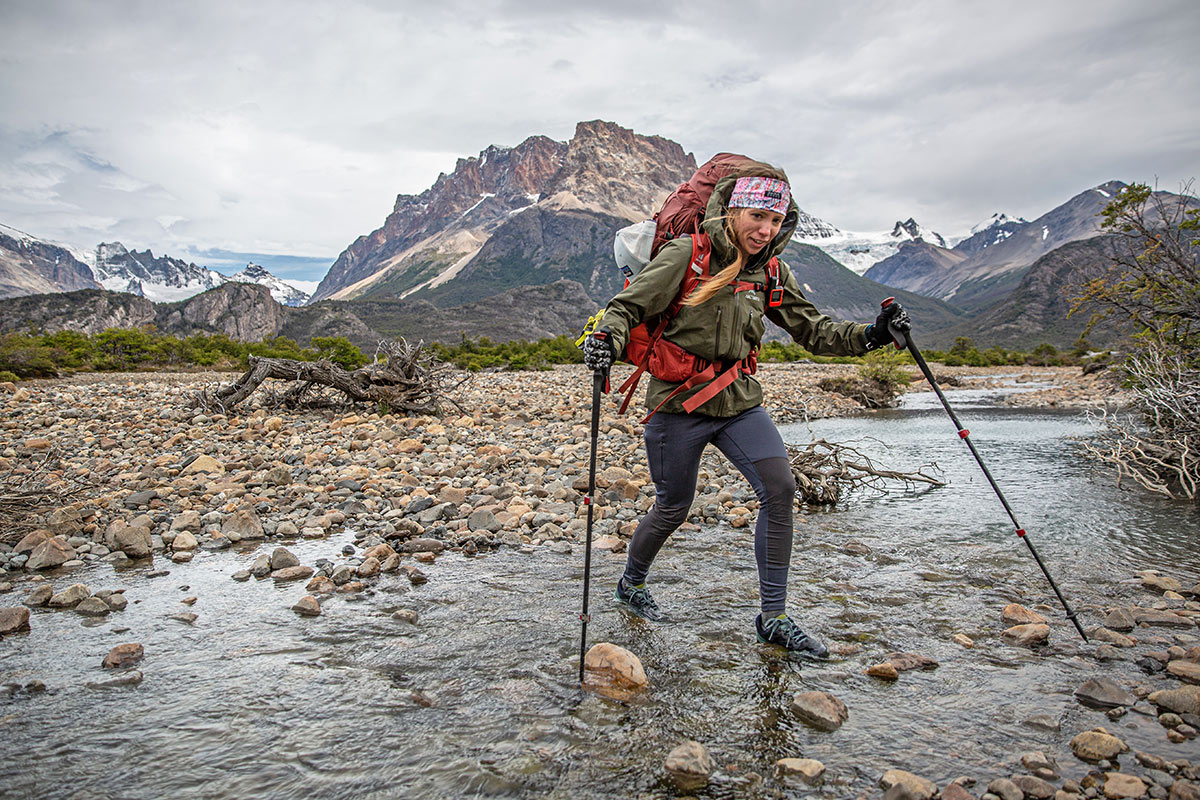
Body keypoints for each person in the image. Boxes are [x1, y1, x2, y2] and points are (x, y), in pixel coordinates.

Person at [582, 162, 909, 658]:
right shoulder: (686, 255)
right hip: (678, 405)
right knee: (673, 506)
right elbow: (628, 307)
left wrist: (872, 335)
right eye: (757, 216)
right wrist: (605, 338)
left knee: (779, 489)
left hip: (738, 402)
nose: (766, 230)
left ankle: (774, 618)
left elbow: (814, 331)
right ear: (732, 211)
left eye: (776, 221)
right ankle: (631, 582)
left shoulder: (772, 271)